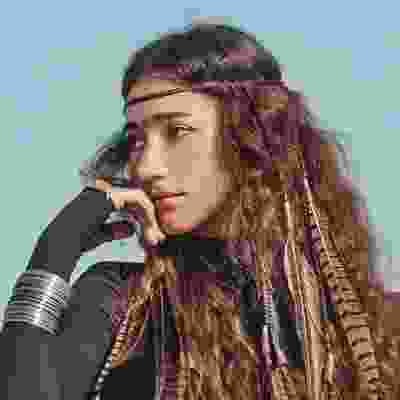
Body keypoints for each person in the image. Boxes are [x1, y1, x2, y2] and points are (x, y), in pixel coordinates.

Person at [1, 22, 399, 400]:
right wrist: (54, 250)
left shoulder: (373, 325)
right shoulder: (120, 303)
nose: (145, 167)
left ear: (252, 138)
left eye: (177, 131)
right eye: (137, 139)